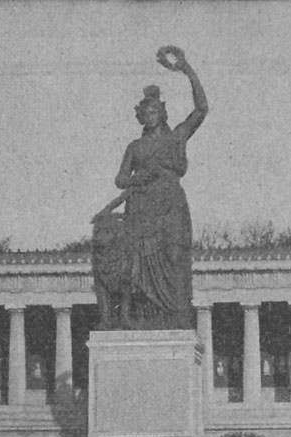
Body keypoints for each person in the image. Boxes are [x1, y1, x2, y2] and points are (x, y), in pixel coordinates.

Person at [99, 46, 208, 329]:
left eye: (154, 111)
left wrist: (187, 70)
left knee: (174, 255)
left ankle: (175, 313)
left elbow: (201, 109)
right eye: (145, 112)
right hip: (142, 207)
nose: (150, 115)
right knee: (140, 262)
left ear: (162, 113)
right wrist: (141, 179)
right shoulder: (134, 147)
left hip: (170, 203)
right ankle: (145, 315)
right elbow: (120, 180)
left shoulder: (177, 137)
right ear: (140, 116)